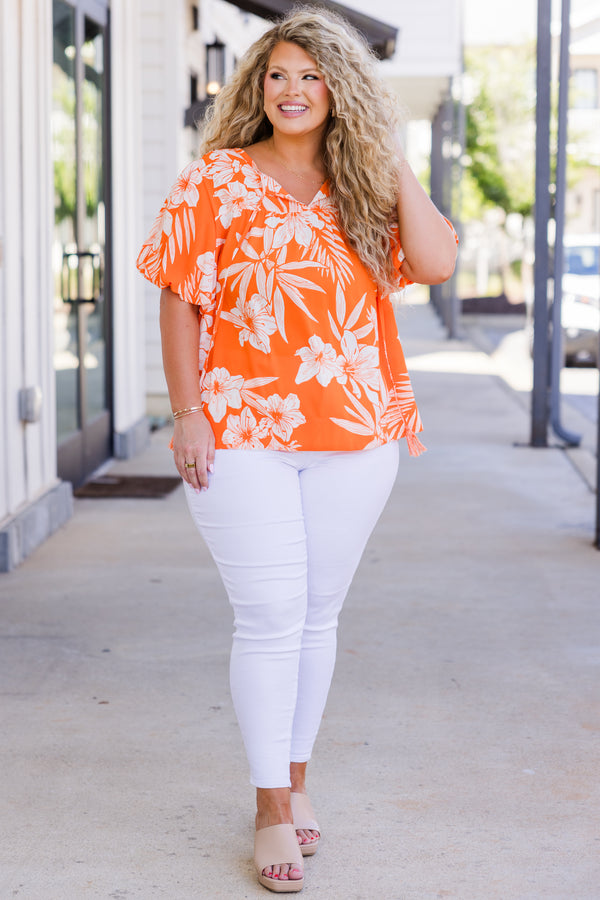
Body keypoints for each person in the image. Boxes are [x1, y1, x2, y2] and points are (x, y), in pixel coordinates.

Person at [137, 6, 457, 893]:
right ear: (256, 86)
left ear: (340, 90)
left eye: (312, 76)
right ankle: (270, 804)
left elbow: (434, 263)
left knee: (318, 615)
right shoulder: (217, 178)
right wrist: (188, 412)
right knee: (270, 613)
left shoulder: (364, 183)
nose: (292, 90)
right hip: (242, 431)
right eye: (277, 74)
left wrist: (388, 154)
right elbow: (178, 295)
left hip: (357, 434)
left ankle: (298, 778)